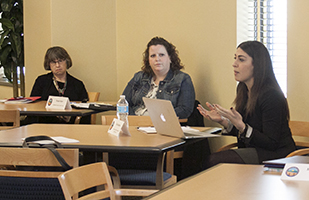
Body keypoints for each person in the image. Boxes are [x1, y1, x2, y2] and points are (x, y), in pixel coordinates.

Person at [197, 41, 296, 169]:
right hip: (254, 150)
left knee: (214, 161)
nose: (234, 64)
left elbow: (271, 142)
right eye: (235, 58)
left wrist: (242, 126)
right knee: (211, 160)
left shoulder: (271, 95)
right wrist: (224, 121)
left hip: (277, 154)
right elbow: (245, 131)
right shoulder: (243, 89)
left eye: (241, 60)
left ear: (257, 65)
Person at [123, 36, 195, 119]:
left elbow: (185, 110)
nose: (157, 59)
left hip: (164, 125)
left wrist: (159, 117)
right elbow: (123, 103)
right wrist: (134, 118)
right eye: (153, 56)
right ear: (148, 60)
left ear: (170, 58)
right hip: (135, 123)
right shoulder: (138, 77)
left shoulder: (182, 79)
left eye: (161, 55)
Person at [29, 46, 89, 123]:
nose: (57, 65)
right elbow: (33, 105)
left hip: (70, 126)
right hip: (44, 124)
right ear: (49, 64)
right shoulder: (41, 81)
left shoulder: (77, 84)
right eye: (53, 62)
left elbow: (85, 109)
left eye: (60, 61)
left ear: (67, 62)